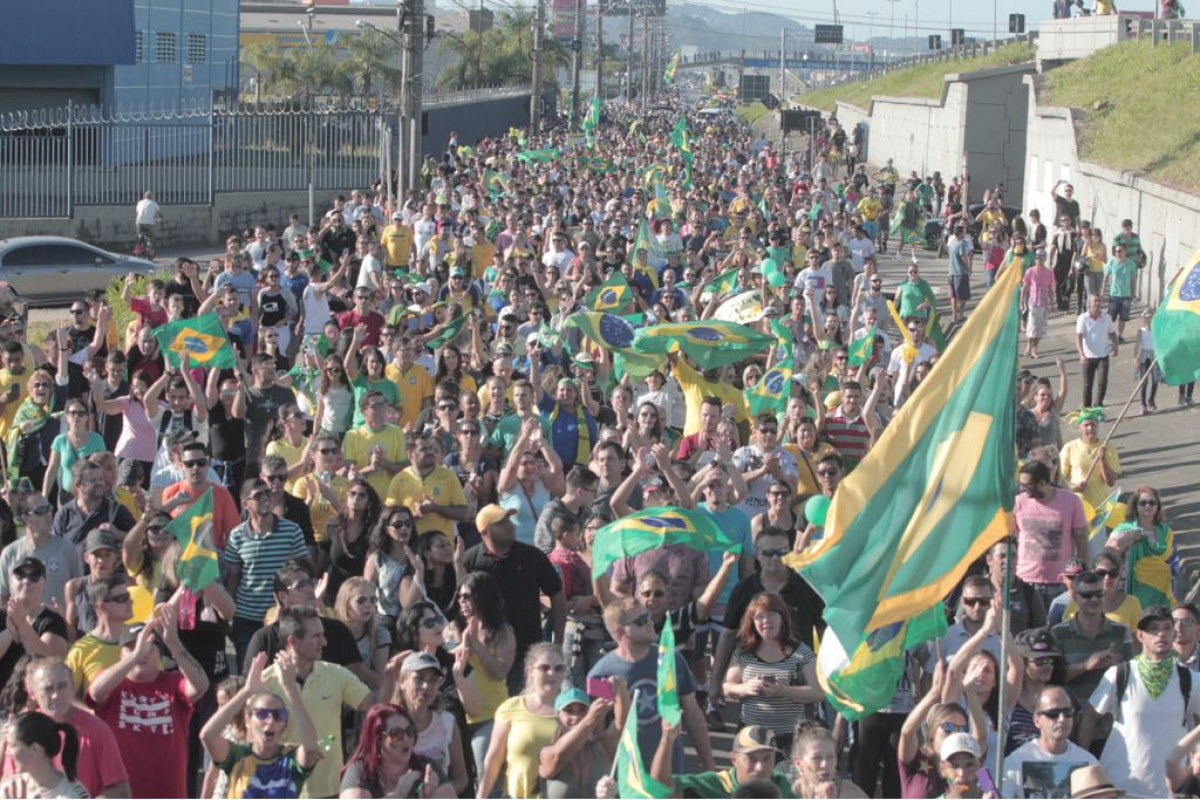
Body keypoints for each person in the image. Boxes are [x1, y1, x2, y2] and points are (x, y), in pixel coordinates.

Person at [87, 604, 210, 799]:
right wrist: (135, 656)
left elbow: (201, 685)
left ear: (160, 654)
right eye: (131, 647)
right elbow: (95, 692)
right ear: (120, 655)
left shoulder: (173, 682)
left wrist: (173, 642)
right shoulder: (113, 684)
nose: (142, 652)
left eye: (149, 648)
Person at [1078, 604, 1200, 797]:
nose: (1161, 634)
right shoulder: (1120, 674)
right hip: (1122, 787)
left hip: (1169, 790)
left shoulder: (1190, 679)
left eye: (1167, 628)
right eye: (1153, 629)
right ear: (1140, 636)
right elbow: (1089, 717)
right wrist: (1083, 764)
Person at [588, 598, 715, 775]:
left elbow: (693, 714)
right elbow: (596, 735)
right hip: (626, 781)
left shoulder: (671, 659)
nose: (649, 622)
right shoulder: (599, 675)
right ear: (619, 632)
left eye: (647, 617)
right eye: (640, 621)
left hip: (671, 775)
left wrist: (710, 769)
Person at [262, 607, 375, 799]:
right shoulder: (266, 682)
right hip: (281, 789)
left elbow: (375, 708)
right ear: (293, 641)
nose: (324, 642)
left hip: (330, 790)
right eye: (316, 636)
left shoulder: (336, 674)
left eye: (323, 634)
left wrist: (391, 681)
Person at [460, 505, 565, 690]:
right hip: (486, 653)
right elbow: (460, 605)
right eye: (500, 523)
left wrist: (558, 641)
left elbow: (557, 595)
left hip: (528, 652)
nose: (509, 525)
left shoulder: (532, 556)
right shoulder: (470, 561)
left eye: (508, 520)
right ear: (484, 531)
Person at [201, 651, 321, 800]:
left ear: (284, 724)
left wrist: (291, 689)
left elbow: (310, 748)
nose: (270, 720)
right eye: (262, 714)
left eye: (278, 715)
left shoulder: (290, 760)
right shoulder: (237, 756)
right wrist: (246, 691)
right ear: (248, 720)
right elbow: (207, 736)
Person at [224, 480, 309, 670]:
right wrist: (229, 615)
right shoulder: (236, 535)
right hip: (247, 617)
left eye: (267, 493)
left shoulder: (292, 530)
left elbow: (303, 571)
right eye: (258, 495)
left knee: (285, 670)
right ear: (245, 504)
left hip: (284, 616)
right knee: (249, 673)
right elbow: (233, 578)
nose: (265, 498)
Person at [722, 592, 821, 755]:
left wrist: (785, 691)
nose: (766, 621)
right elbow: (727, 687)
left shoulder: (801, 652)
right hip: (750, 737)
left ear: (783, 618)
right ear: (752, 622)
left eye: (772, 614)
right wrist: (746, 688)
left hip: (790, 739)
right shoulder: (744, 652)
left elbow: (818, 692)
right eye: (759, 616)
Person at [476, 642, 567, 798]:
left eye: (558, 668)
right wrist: (481, 796)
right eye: (544, 668)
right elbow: (494, 758)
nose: (552, 673)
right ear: (530, 671)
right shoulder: (511, 707)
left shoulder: (572, 711)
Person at [1013, 460, 1088, 609]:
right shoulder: (1018, 503)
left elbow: (1081, 538)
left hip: (1060, 582)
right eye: (1021, 484)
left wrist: (1079, 575)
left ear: (1042, 483)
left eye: (1027, 485)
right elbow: (1010, 540)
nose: (1022, 489)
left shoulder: (1071, 501)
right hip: (1025, 580)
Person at [339, 703, 456, 799]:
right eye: (396, 734)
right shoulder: (360, 771)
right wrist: (399, 794)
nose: (406, 739)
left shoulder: (426, 768)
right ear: (378, 740)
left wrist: (429, 796)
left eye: (410, 731)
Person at [651, 722, 796, 798]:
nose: (760, 767)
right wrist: (667, 740)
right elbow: (659, 788)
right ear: (734, 759)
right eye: (751, 759)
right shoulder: (715, 785)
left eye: (767, 758)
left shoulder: (784, 788)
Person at [1003, 685, 1099, 798]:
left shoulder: (1088, 761)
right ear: (1037, 720)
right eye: (1053, 714)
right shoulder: (1015, 761)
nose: (1062, 719)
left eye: (1067, 712)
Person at [1052, 571, 1134, 703]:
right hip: (1071, 715)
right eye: (1087, 595)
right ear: (1074, 597)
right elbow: (1053, 678)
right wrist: (1086, 665)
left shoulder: (1122, 631)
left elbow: (1132, 676)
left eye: (1099, 594)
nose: (1094, 599)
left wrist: (1116, 667)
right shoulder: (1058, 633)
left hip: (1111, 714)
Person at [0, 494, 83, 610]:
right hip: (22, 625)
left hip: (57, 625)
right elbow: (2, 599)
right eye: (40, 511)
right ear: (25, 518)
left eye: (49, 509)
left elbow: (80, 593)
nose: (48, 514)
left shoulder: (67, 550)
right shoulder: (10, 553)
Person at [538, 687, 620, 799]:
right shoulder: (547, 752)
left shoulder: (601, 747)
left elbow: (622, 723)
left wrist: (620, 690)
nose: (576, 716)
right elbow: (558, 755)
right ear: (557, 717)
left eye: (582, 710)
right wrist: (590, 719)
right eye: (569, 711)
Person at [1106, 485, 1177, 609]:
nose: (1148, 506)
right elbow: (1108, 552)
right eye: (1143, 503)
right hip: (1136, 586)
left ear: (1158, 506)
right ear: (1135, 506)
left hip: (1161, 589)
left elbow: (1171, 558)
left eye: (1152, 502)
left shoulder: (1165, 530)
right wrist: (1128, 538)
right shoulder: (1124, 528)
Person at [65, 575, 134, 696]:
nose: (131, 601)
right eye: (123, 598)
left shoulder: (140, 640)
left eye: (129, 596)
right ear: (102, 606)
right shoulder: (80, 650)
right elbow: (66, 697)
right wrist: (91, 714)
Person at [0, 711, 89, 799]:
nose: (8, 752)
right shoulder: (12, 788)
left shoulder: (73, 794)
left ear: (35, 749)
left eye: (13, 746)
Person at [1059, 408, 1121, 510]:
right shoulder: (1069, 447)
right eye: (1086, 425)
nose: (1090, 428)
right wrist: (1073, 487)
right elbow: (1059, 479)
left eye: (1093, 424)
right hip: (1076, 506)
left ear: (1098, 426)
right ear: (1079, 427)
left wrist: (1102, 459)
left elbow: (1110, 482)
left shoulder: (1108, 448)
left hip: (1100, 507)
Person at [791, 723, 869, 798]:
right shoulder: (785, 792)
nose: (825, 764)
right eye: (816, 758)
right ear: (799, 764)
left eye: (830, 757)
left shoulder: (852, 794)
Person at [1075, 294, 1117, 408]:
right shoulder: (1083, 318)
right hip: (1088, 357)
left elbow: (1112, 333)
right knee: (1087, 385)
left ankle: (1098, 405)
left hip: (1103, 355)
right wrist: (1081, 355)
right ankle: (1087, 408)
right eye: (1095, 301)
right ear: (1089, 303)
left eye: (1099, 301)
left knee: (1102, 383)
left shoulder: (1106, 317)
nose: (1098, 303)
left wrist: (1115, 346)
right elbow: (1078, 337)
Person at [1021, 249, 1056, 358]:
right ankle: (1029, 346)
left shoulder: (1049, 273)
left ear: (1044, 259)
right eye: (1037, 258)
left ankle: (1034, 350)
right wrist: (1022, 301)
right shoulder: (1030, 271)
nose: (1039, 260)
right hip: (1032, 303)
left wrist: (1052, 304)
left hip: (1043, 303)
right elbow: (1025, 287)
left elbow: (1051, 290)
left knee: (1040, 328)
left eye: (1041, 258)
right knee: (1032, 327)